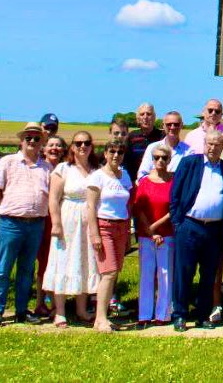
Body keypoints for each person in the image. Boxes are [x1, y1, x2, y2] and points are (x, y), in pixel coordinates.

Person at [169, 131, 223, 332]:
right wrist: (177, 223)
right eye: (209, 143)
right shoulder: (189, 163)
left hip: (215, 230)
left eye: (217, 144)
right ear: (204, 144)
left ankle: (202, 315)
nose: (212, 147)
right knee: (184, 272)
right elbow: (175, 195)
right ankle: (180, 315)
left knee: (209, 275)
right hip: (189, 225)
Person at [0, 122, 51, 326]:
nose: (32, 141)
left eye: (36, 138)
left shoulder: (46, 167)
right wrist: (5, 207)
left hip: (36, 223)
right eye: (28, 137)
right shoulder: (7, 162)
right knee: (4, 268)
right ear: (21, 141)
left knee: (27, 269)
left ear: (41, 142)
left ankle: (21, 310)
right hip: (11, 222)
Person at [43, 130, 100, 327]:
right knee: (63, 261)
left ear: (92, 146)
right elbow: (53, 199)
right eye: (78, 143)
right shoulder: (63, 168)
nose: (82, 146)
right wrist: (56, 223)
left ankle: (81, 309)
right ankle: (59, 312)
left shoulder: (96, 170)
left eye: (86, 143)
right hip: (68, 219)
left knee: (85, 261)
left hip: (89, 221)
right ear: (72, 147)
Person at [87, 138, 133, 333]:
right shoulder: (97, 177)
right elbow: (90, 206)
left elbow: (128, 205)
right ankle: (100, 318)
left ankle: (102, 316)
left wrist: (128, 231)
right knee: (108, 272)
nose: (116, 156)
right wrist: (95, 234)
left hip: (121, 226)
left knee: (114, 273)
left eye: (120, 152)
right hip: (104, 225)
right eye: (112, 152)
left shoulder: (125, 176)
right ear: (105, 154)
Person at [134, 143, 175, 328]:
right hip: (146, 235)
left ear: (169, 160)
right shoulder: (144, 181)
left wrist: (156, 228)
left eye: (164, 158)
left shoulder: (173, 180)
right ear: (152, 159)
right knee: (147, 273)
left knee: (165, 273)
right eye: (156, 157)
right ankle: (144, 314)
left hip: (167, 234)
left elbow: (174, 207)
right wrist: (151, 231)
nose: (160, 161)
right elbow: (139, 208)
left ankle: (163, 314)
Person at [34, 134, 67, 318]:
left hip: (63, 219)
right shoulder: (40, 168)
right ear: (44, 149)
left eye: (58, 145)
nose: (54, 148)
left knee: (58, 261)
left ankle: (55, 303)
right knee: (44, 262)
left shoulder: (66, 168)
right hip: (42, 219)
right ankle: (40, 302)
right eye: (51, 145)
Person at [137, 111, 192, 179]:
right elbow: (142, 175)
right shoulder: (152, 148)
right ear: (163, 125)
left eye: (176, 124)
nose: (172, 127)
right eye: (169, 124)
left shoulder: (189, 151)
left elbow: (189, 176)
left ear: (181, 125)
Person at [125, 103, 163, 181]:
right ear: (138, 118)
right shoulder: (131, 136)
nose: (145, 117)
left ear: (154, 117)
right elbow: (126, 160)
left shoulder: (162, 136)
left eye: (149, 114)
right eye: (142, 114)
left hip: (157, 180)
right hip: (135, 181)